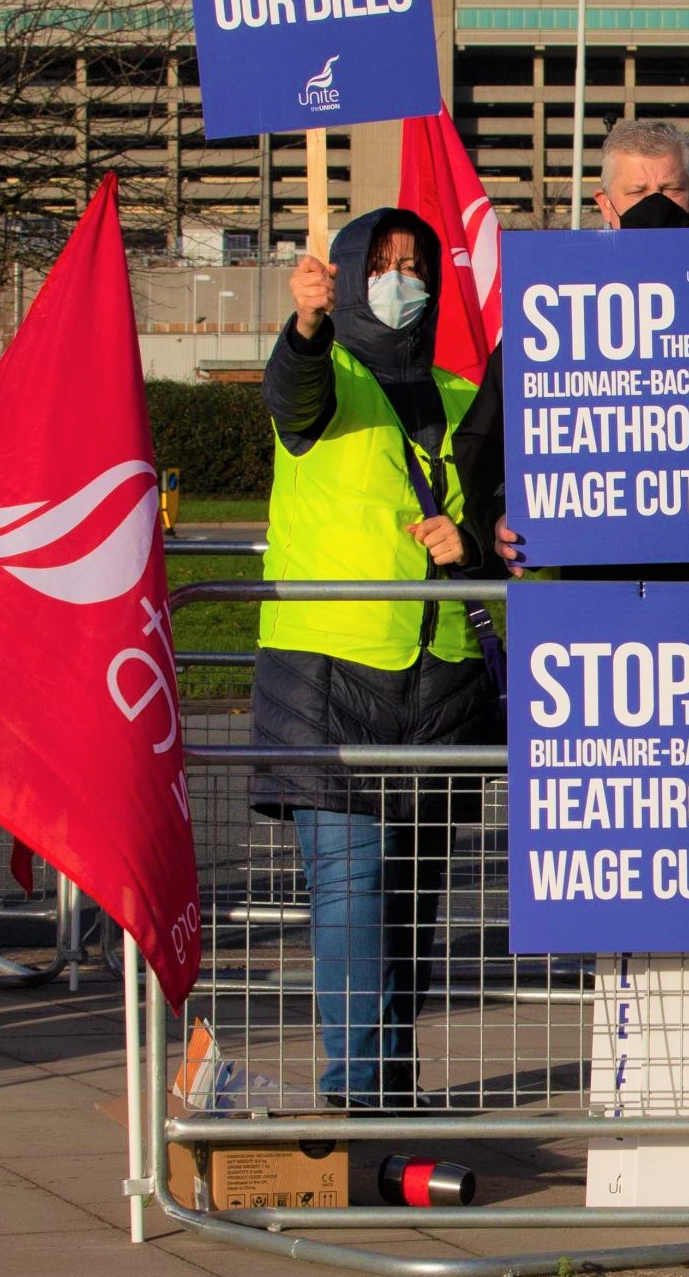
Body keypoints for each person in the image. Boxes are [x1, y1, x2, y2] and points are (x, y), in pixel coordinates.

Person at [250, 206, 501, 1111]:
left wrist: (467, 542)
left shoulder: (462, 395)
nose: (404, 280)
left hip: (440, 682)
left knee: (411, 900)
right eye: (384, 264)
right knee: (352, 897)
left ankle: (395, 1079)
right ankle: (357, 1090)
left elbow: (501, 526)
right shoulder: (331, 377)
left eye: (418, 264)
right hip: (333, 680)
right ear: (350, 273)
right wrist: (307, 322)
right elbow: (293, 392)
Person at [454, 117, 689, 577]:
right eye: (638, 194)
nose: (657, 205)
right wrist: (495, 518)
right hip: (600, 568)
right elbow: (484, 435)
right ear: (605, 204)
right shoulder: (554, 305)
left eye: (671, 189)